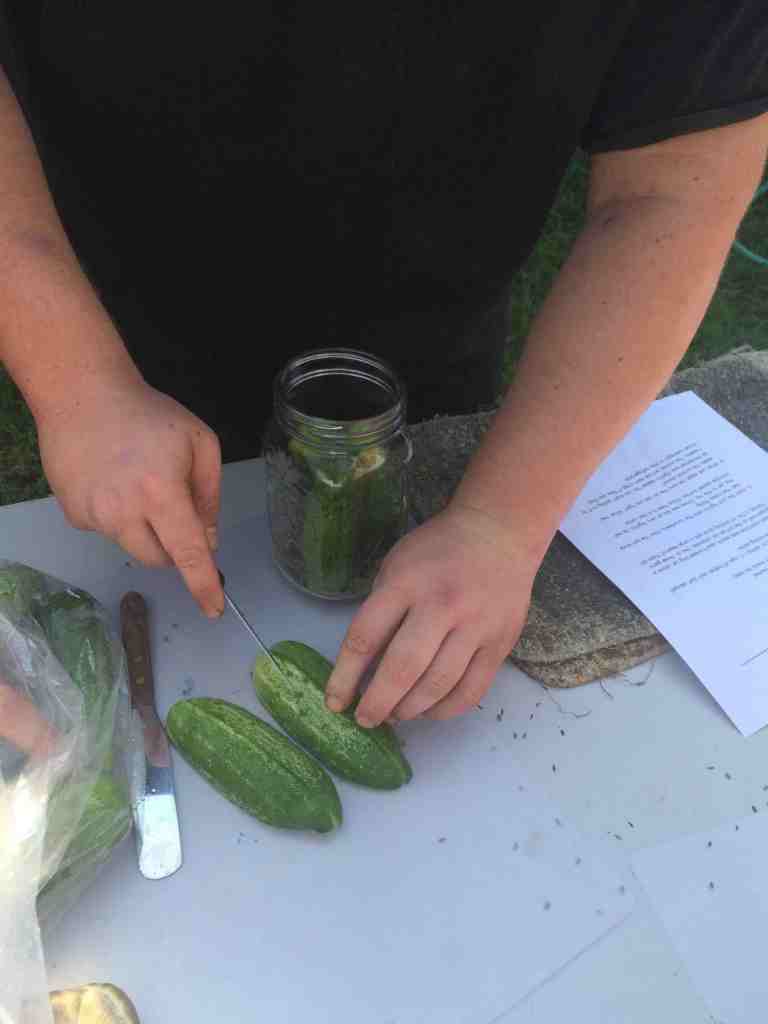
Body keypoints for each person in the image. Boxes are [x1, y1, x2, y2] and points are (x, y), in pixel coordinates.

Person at [0, 3, 766, 732]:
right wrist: (76, 380)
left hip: (424, 351)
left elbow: (673, 187)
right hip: (104, 296)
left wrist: (501, 521)